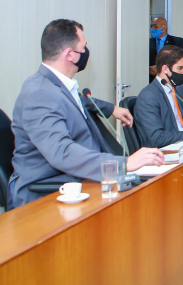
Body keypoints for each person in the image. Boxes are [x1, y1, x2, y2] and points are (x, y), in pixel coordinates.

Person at [9, 19, 165, 209]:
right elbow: (62, 152)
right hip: (49, 192)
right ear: (70, 55)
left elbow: (78, 102)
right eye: (84, 47)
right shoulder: (40, 94)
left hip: (75, 178)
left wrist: (112, 109)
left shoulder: (56, 85)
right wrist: (124, 164)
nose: (86, 52)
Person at [135, 45, 183, 148]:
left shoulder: (172, 90)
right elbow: (156, 138)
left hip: (181, 145)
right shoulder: (148, 96)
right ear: (165, 69)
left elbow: (176, 127)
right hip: (162, 153)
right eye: (180, 68)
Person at [149, 17, 183, 83]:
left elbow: (180, 59)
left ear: (164, 27)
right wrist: (149, 68)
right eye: (151, 26)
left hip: (170, 78)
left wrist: (159, 68)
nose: (153, 29)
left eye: (155, 26)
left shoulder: (177, 41)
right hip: (151, 79)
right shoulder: (148, 42)